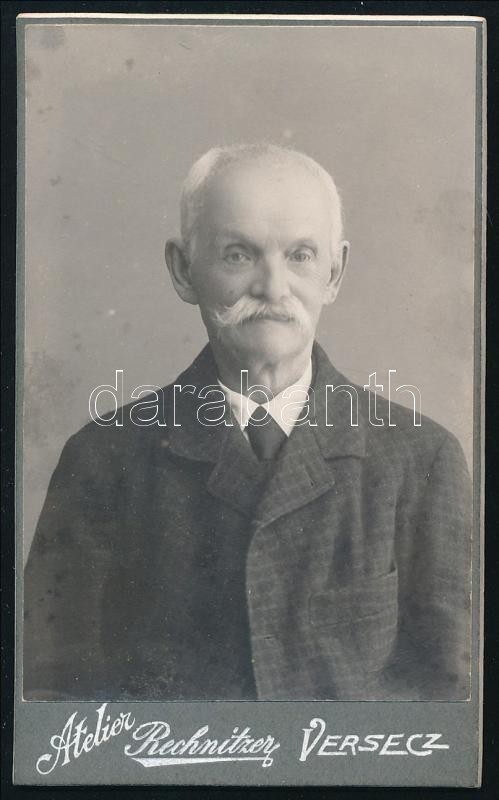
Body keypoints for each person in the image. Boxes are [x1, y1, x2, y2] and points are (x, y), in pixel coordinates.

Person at [24, 143, 471, 701]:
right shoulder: (102, 461)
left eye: (301, 255)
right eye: (239, 255)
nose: (273, 288)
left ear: (335, 273)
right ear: (184, 271)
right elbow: (52, 702)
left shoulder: (422, 461)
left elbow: (453, 702)